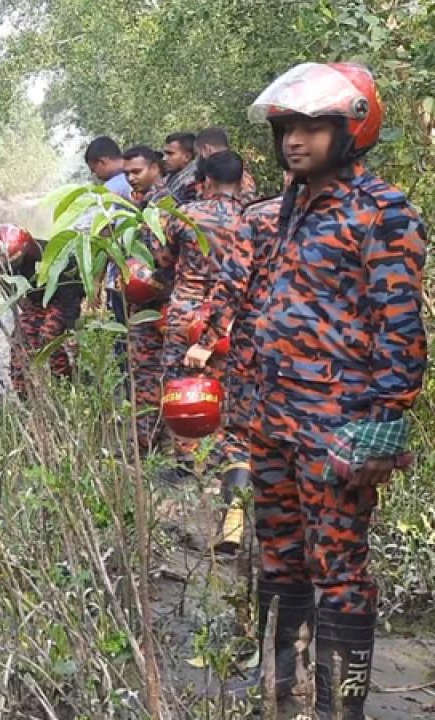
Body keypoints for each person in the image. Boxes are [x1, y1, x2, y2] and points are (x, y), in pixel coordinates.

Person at [227, 62, 427, 719]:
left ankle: (343, 709)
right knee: (281, 560)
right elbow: (262, 310)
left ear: (351, 130)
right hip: (275, 421)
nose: (295, 140)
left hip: (337, 425)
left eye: (315, 127)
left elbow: (401, 327)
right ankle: (278, 693)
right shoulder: (284, 210)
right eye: (289, 127)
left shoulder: (382, 211)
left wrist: (385, 421)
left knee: (338, 571)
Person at [185, 170, 295, 554]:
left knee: (241, 437)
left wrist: (206, 341)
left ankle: (233, 523)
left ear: (284, 174)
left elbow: (232, 284)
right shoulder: (357, 214)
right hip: (320, 359)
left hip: (254, 346)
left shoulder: (260, 217)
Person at [152, 151, 247, 483]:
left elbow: (163, 258)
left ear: (204, 181)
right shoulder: (252, 217)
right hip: (232, 316)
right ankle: (224, 462)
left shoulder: (185, 215)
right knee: (226, 385)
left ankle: (186, 465)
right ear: (240, 180)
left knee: (181, 384)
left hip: (187, 311)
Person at [0, 223, 83, 397]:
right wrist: (24, 304)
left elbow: (72, 296)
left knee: (49, 336)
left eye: (16, 258)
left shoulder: (57, 257)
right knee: (21, 340)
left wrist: (71, 328)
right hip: (36, 300)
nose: (13, 263)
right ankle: (24, 394)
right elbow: (10, 285)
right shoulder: (5, 263)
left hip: (62, 299)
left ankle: (65, 386)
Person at [123, 145, 174, 451]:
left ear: (155, 168)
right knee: (143, 371)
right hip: (143, 300)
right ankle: (146, 439)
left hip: (160, 301)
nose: (131, 179)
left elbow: (168, 259)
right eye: (127, 173)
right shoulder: (138, 203)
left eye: (137, 172)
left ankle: (157, 440)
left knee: (156, 370)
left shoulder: (163, 206)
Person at [84, 136, 134, 363]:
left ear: (103, 161)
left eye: (94, 169)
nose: (95, 175)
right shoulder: (135, 181)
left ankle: (126, 390)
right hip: (141, 273)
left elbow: (105, 235)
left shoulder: (111, 189)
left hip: (122, 275)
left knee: (124, 337)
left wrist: (96, 280)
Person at [194, 127, 261, 204]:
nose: (199, 158)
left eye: (199, 153)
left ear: (207, 149)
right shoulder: (241, 175)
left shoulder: (242, 178)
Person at [163, 131, 199, 203]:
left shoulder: (193, 183)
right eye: (165, 153)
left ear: (186, 157)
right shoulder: (170, 176)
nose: (164, 158)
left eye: (170, 154)